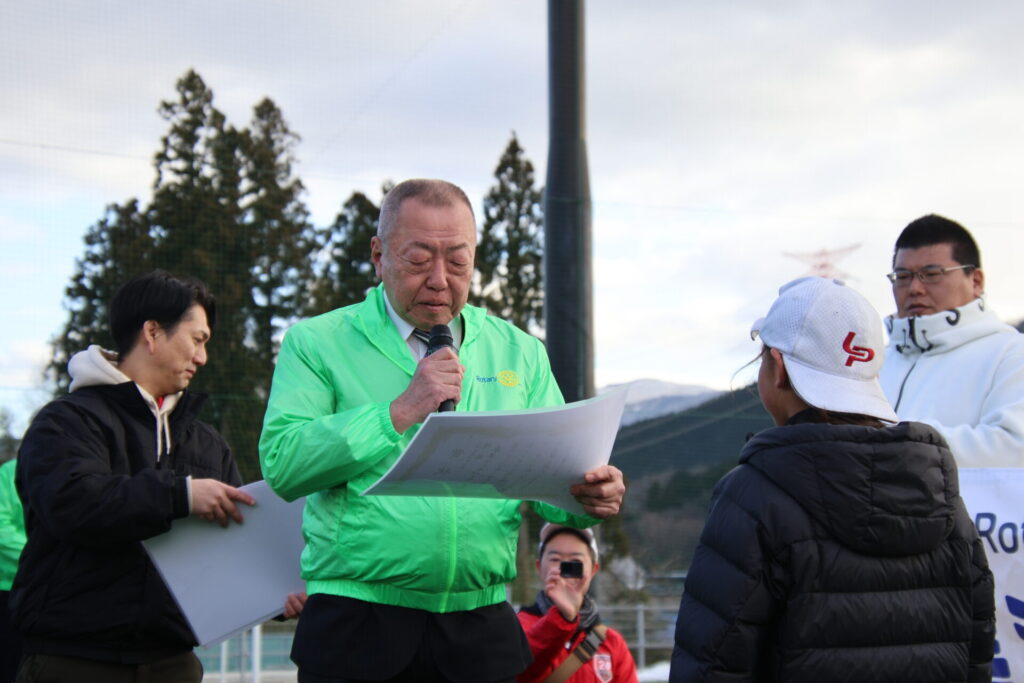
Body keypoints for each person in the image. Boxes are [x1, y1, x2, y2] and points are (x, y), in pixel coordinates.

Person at [259, 178, 625, 683]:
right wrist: (398, 411)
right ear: (379, 256)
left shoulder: (518, 352)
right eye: (418, 260)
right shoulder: (318, 342)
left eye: (457, 262)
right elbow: (284, 463)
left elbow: (552, 488)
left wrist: (588, 496)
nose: (438, 279)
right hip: (356, 622)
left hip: (481, 626)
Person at [670, 277, 994, 682]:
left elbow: (712, 663)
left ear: (779, 369)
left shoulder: (754, 496)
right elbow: (978, 649)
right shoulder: (939, 492)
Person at [10, 270, 255, 683]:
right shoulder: (66, 421)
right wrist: (180, 496)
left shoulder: (208, 443)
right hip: (74, 660)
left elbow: (238, 539)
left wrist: (274, 596)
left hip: (174, 661)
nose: (203, 358)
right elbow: (73, 503)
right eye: (197, 340)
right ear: (152, 333)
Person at [879, 213, 1024, 467]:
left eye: (931, 274)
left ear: (976, 281)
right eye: (902, 276)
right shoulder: (875, 365)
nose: (914, 288)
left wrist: (898, 441)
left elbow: (1014, 449)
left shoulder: (1011, 354)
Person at [516, 523, 637, 683]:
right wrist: (562, 618)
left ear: (593, 570)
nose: (564, 568)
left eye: (575, 561)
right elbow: (515, 671)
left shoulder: (612, 642)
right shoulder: (516, 628)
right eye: (555, 559)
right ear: (539, 567)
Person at [0, 459, 25, 682]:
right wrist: (33, 557)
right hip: (8, 586)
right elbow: (1, 528)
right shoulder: (8, 472)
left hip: (53, 588)